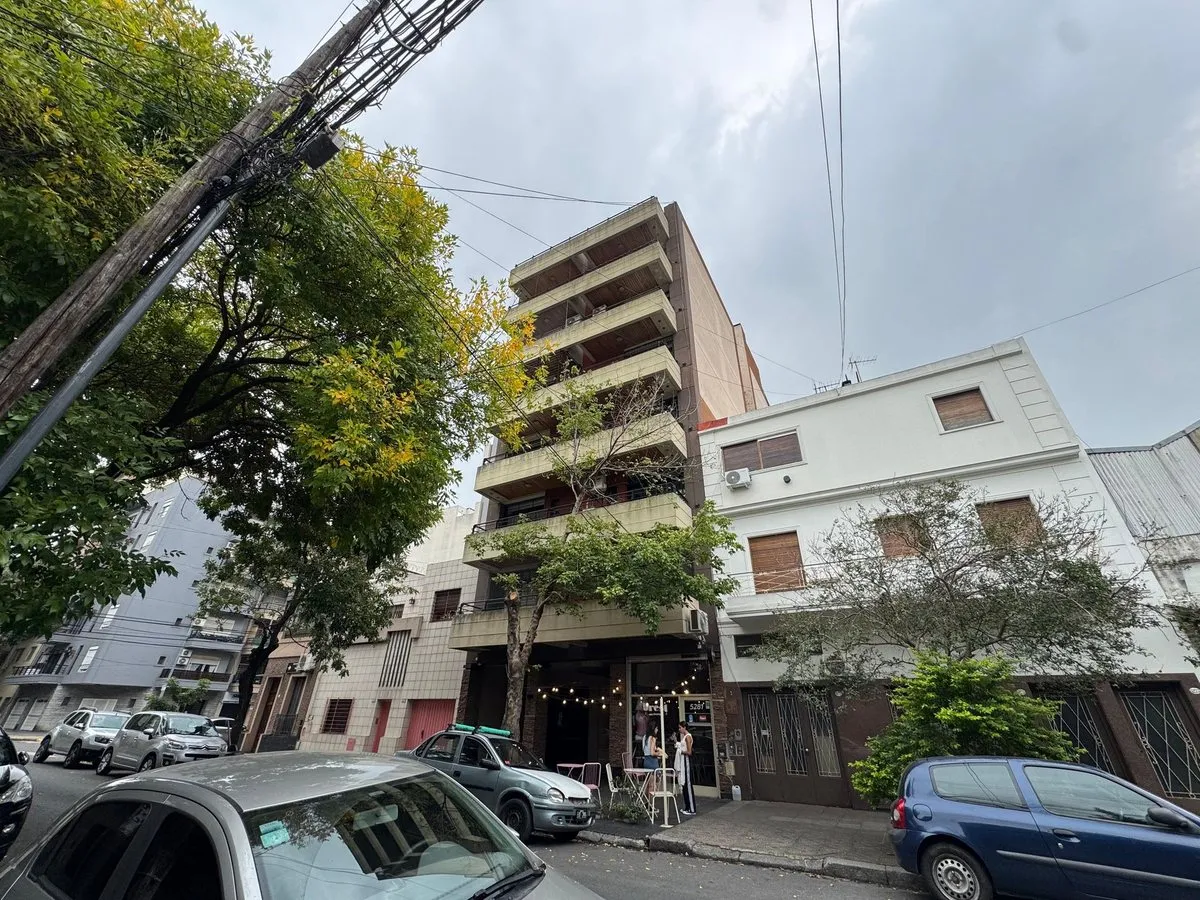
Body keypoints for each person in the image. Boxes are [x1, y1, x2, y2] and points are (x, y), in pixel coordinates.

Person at [675, 722, 696, 815]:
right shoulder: (684, 737)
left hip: (686, 762)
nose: (679, 729)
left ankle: (692, 809)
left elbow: (689, 751)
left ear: (684, 727)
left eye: (680, 728)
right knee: (684, 785)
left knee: (688, 784)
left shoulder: (688, 736)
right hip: (683, 762)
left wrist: (681, 752)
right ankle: (687, 807)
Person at [641, 723, 663, 800]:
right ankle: (651, 805)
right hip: (652, 762)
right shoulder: (653, 738)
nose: (657, 730)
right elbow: (652, 753)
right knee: (652, 785)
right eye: (657, 728)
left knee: (648, 784)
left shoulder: (644, 737)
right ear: (653, 729)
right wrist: (660, 753)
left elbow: (645, 750)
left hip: (646, 761)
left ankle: (647, 803)